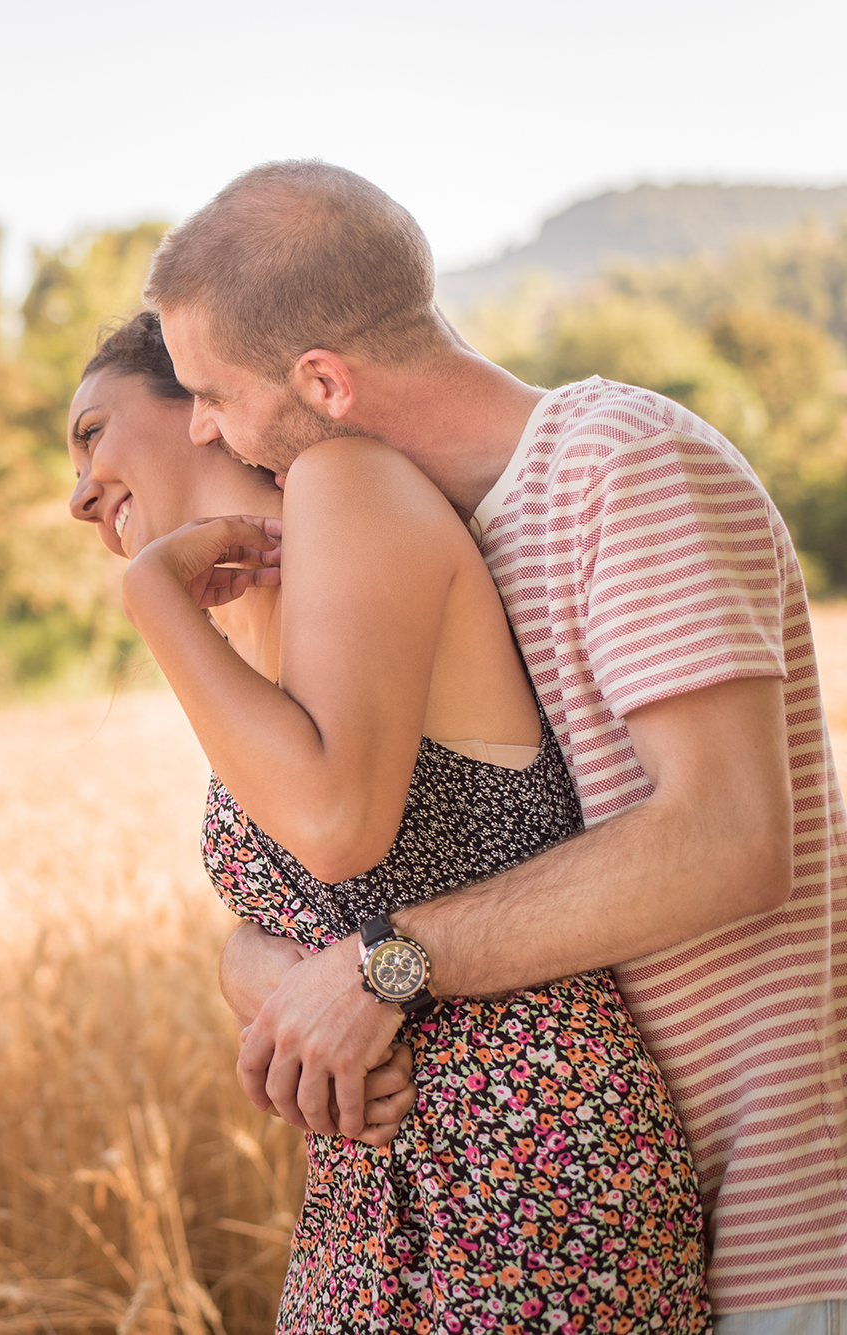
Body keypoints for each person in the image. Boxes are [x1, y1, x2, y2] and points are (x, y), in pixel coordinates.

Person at [150, 160, 847, 1331]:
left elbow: (726, 838)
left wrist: (388, 964)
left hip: (776, 1224)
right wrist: (273, 975)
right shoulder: (435, 542)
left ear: (320, 381)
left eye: (211, 395)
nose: (201, 428)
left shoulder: (617, 464)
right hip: (613, 1214)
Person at [68, 310, 710, 1329]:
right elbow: (299, 908)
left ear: (198, 404)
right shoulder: (260, 629)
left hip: (525, 1158)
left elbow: (333, 830)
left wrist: (152, 601)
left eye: (91, 431)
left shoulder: (344, 481)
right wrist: (261, 977)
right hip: (369, 1183)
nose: (76, 493)